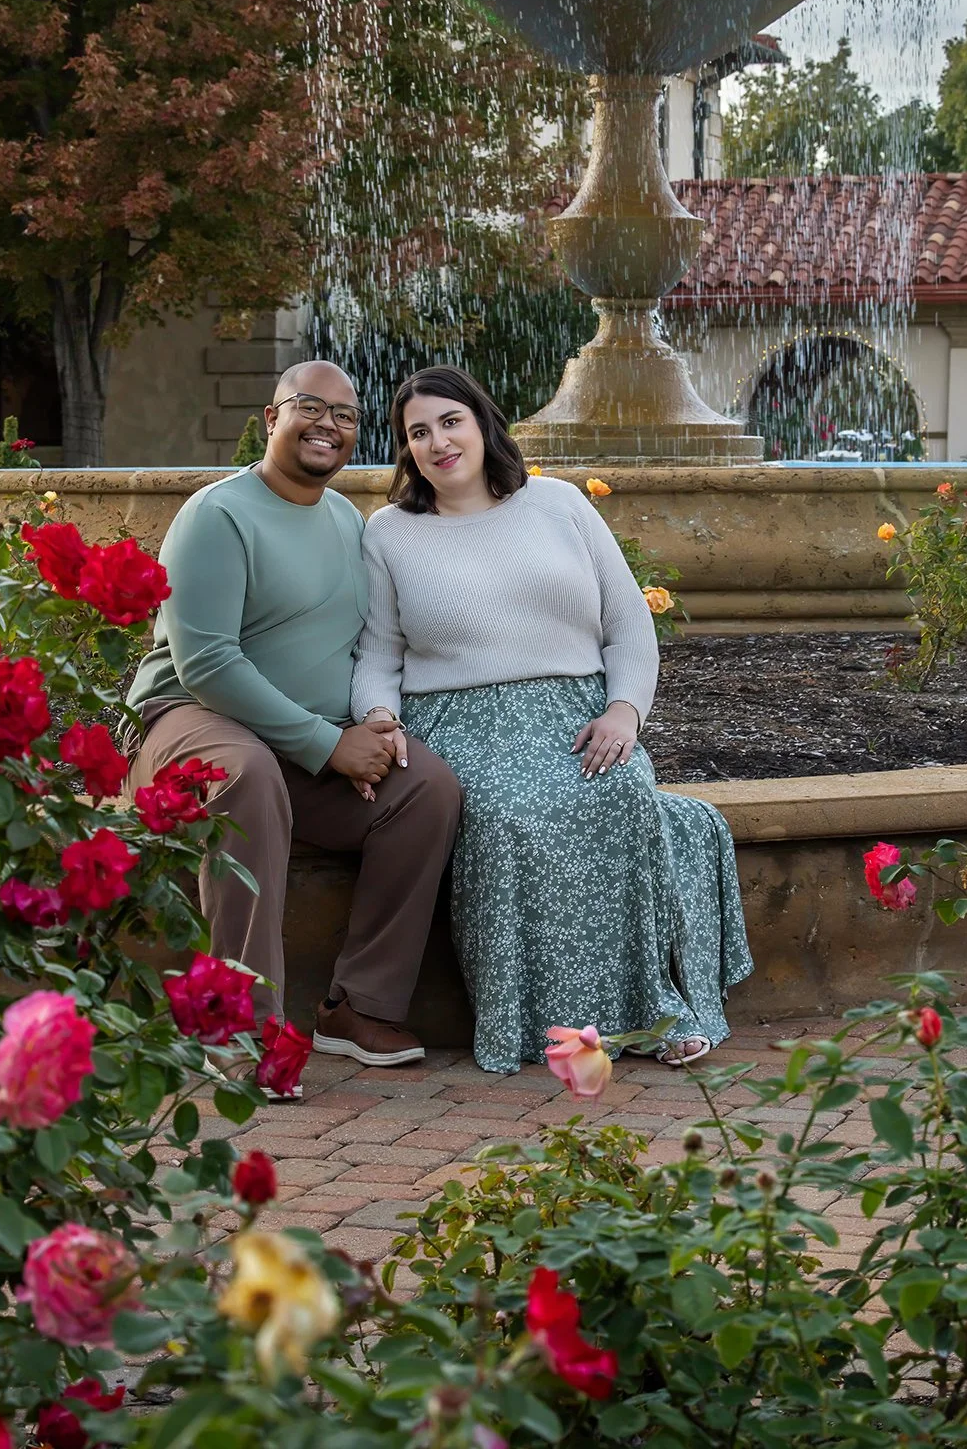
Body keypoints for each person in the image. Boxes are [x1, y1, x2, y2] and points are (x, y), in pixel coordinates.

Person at [350, 365, 752, 1076]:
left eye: (450, 422)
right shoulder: (389, 533)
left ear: (481, 423)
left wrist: (625, 710)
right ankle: (546, 1026)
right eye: (418, 433)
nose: (438, 442)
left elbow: (628, 623)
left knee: (624, 795)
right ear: (406, 451)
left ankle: (653, 1014)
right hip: (462, 721)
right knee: (509, 814)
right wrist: (380, 720)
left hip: (577, 712)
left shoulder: (559, 504)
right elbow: (379, 652)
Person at [124, 360, 462, 1074]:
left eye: (344, 416)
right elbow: (207, 665)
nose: (328, 426)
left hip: (299, 743)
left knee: (426, 788)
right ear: (272, 418)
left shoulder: (345, 519)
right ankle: (239, 1029)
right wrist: (326, 743)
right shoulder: (217, 515)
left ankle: (361, 1006)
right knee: (245, 774)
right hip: (190, 720)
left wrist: (369, 726)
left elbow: (363, 645)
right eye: (310, 407)